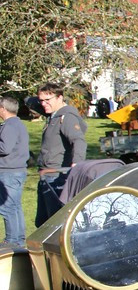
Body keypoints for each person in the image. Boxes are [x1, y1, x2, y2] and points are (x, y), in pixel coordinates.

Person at [35, 82, 87, 227]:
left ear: (60, 98)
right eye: (41, 100)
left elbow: (79, 141)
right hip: (46, 175)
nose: (44, 104)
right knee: (42, 223)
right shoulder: (53, 116)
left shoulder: (67, 117)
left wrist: (77, 164)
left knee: (55, 224)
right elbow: (29, 101)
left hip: (57, 176)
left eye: (48, 100)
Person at [0, 95, 30, 246]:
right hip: (17, 170)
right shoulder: (18, 124)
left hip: (8, 171)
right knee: (15, 206)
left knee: (7, 207)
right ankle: (18, 238)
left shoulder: (9, 126)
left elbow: (5, 148)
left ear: (3, 109)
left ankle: (12, 240)